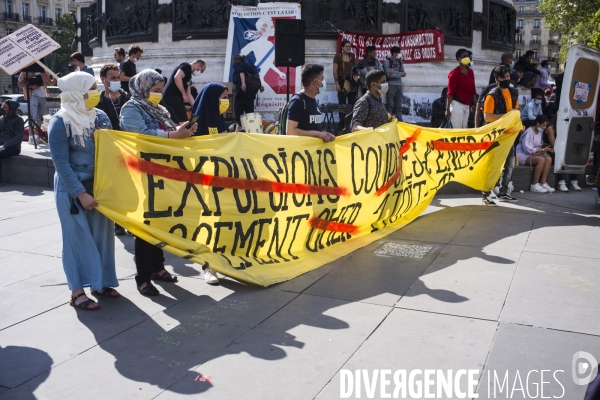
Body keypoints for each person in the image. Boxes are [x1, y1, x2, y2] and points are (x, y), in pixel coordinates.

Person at [119, 69, 205, 293]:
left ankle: (158, 267)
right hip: (142, 173)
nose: (158, 95)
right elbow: (139, 134)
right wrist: (172, 136)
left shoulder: (160, 109)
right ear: (143, 88)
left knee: (161, 223)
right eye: (155, 91)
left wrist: (181, 131)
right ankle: (143, 277)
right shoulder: (132, 108)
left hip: (163, 174)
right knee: (146, 226)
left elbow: (167, 131)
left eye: (159, 91)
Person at [48, 72, 119, 311]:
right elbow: (61, 163)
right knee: (76, 241)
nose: (96, 93)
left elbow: (112, 150)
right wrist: (80, 194)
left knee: (104, 237)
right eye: (91, 88)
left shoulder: (100, 117)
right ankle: (77, 292)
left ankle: (101, 283)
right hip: (72, 190)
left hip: (100, 187)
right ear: (76, 92)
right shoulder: (60, 122)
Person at [96, 63, 131, 236]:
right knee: (115, 187)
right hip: (109, 150)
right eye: (113, 78)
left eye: (118, 77)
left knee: (130, 186)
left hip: (128, 148)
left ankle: (131, 220)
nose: (117, 81)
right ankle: (118, 222)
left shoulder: (127, 97)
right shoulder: (98, 101)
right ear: (104, 80)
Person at [482, 65, 520, 204]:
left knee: (509, 164)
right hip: (495, 135)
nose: (506, 79)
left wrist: (517, 123)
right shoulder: (492, 95)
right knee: (493, 165)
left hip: (509, 135)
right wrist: (506, 117)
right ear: (496, 79)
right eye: (503, 77)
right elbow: (487, 117)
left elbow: (516, 111)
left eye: (508, 76)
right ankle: (486, 193)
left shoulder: (514, 92)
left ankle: (503, 192)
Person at [285, 64, 335, 142]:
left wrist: (323, 134)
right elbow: (290, 131)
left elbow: (311, 129)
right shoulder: (297, 101)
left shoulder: (313, 100)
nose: (323, 83)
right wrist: (318, 134)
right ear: (315, 81)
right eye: (322, 79)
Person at [516, 115, 555, 193]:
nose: (544, 128)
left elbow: (536, 146)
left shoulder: (540, 132)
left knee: (548, 159)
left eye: (545, 126)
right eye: (543, 125)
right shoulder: (529, 133)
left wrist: (543, 147)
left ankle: (543, 183)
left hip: (532, 153)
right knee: (541, 160)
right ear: (538, 124)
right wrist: (543, 149)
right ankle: (534, 185)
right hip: (523, 155)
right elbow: (528, 150)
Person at [17, 70, 56, 140]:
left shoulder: (43, 71)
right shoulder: (26, 71)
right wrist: (31, 85)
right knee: (33, 117)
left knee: (40, 117)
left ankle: (36, 137)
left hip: (43, 96)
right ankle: (31, 138)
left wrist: (56, 78)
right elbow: (19, 84)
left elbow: (51, 83)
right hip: (33, 95)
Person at [446, 48, 477, 129]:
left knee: (464, 128)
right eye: (464, 56)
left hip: (467, 105)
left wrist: (476, 105)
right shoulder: (454, 73)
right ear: (458, 59)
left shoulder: (471, 72)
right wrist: (448, 109)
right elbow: (450, 92)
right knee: (457, 129)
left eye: (467, 56)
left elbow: (473, 90)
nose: (466, 57)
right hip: (457, 104)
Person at [333, 40, 358, 129]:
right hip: (341, 81)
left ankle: (350, 124)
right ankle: (342, 124)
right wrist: (337, 83)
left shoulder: (352, 56)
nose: (348, 48)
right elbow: (335, 71)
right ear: (342, 47)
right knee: (342, 104)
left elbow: (354, 68)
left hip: (351, 81)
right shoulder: (338, 57)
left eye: (350, 47)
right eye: (347, 46)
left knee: (352, 104)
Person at [231, 55, 262, 123]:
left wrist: (243, 83)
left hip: (241, 94)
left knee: (239, 116)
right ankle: (249, 131)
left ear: (235, 60)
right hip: (251, 95)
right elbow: (257, 77)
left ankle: (239, 131)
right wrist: (260, 86)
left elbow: (241, 73)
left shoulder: (237, 64)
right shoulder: (252, 66)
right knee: (250, 116)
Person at [0, 100, 24, 185]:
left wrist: (4, 145)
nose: (2, 108)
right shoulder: (2, 118)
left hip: (13, 147)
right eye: (2, 106)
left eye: (5, 107)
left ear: (11, 110)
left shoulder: (18, 120)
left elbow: (18, 137)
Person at [383, 46, 406, 121]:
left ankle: (400, 121)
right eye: (398, 53)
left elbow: (404, 73)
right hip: (391, 85)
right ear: (394, 53)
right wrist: (399, 74)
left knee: (399, 106)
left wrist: (395, 72)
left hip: (399, 85)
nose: (400, 54)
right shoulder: (387, 62)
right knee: (390, 105)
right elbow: (388, 75)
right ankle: (389, 121)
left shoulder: (400, 61)